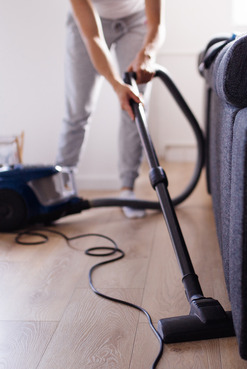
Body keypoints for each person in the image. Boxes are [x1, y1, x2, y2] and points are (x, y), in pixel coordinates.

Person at [56, 0, 165, 218]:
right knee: (78, 110)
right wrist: (117, 85)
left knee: (134, 107)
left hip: (136, 21)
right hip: (88, 27)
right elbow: (93, 37)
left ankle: (128, 189)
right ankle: (60, 190)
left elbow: (156, 24)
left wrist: (147, 54)